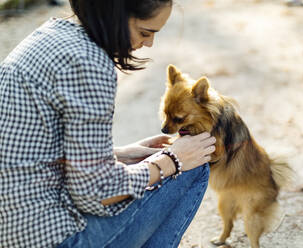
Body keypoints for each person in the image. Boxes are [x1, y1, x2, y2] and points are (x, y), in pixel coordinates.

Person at [0, 0, 216, 247]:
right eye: (145, 32)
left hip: (12, 232)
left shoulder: (46, 36)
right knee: (193, 165)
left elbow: (33, 152)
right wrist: (171, 161)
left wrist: (123, 154)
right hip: (55, 238)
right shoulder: (89, 62)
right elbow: (95, 194)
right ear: (114, 15)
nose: (149, 44)